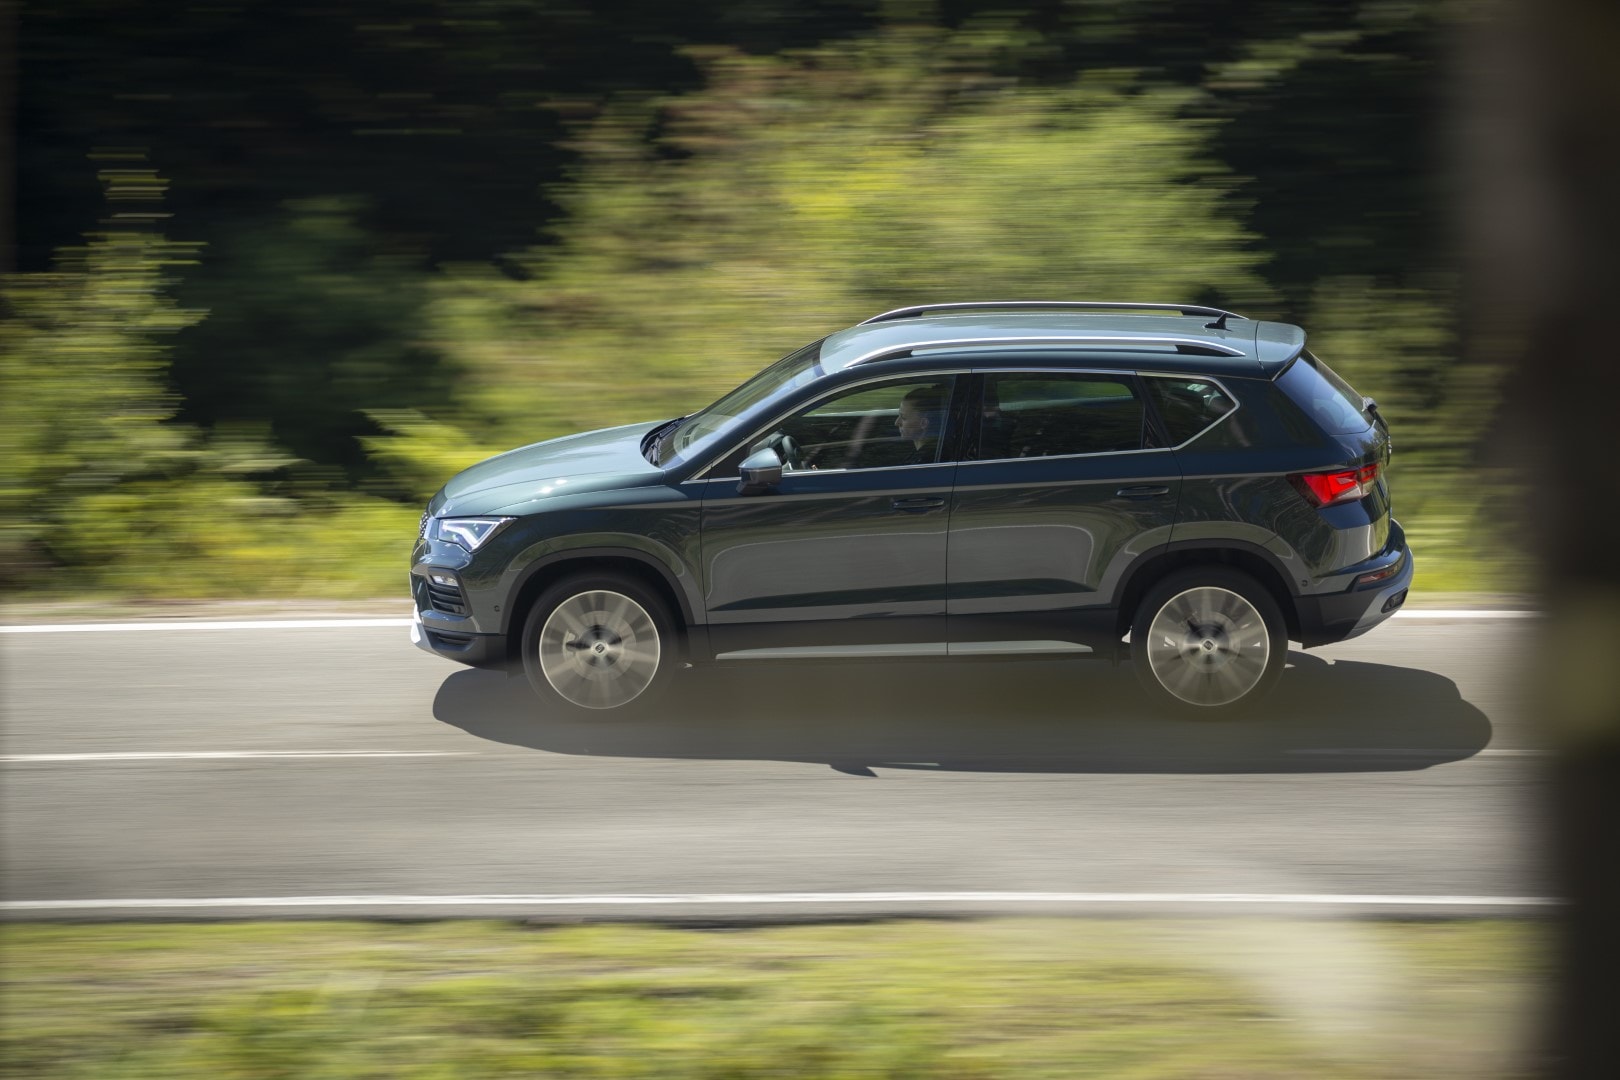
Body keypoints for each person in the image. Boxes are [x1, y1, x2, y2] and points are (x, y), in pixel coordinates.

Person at [895, 385, 947, 465]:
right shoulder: (931, 454)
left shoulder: (925, 462)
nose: (896, 422)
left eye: (903, 417)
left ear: (924, 423)